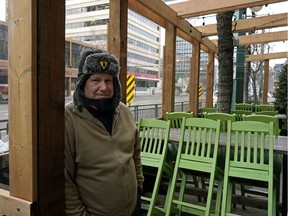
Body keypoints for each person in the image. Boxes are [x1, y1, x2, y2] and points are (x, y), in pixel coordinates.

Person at [65, 49, 144, 216]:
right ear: (81, 83)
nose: (104, 87)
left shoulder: (124, 112)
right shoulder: (68, 118)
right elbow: (64, 178)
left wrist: (139, 187)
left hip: (133, 208)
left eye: (109, 80)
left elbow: (135, 154)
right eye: (95, 80)